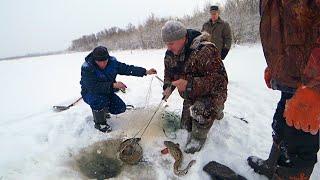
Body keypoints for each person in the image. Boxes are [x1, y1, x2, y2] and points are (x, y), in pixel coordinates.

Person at [247, 1, 320, 179]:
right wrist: (275, 67)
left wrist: (315, 86)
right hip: (291, 77)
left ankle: (291, 174)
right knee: (281, 122)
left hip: (311, 80)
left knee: (299, 137)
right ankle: (272, 165)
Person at [161, 20, 228, 154]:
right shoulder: (170, 54)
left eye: (171, 43)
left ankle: (215, 113)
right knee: (185, 128)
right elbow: (169, 73)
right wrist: (168, 86)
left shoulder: (205, 50)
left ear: (183, 38)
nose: (168, 48)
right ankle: (210, 114)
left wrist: (189, 84)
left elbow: (220, 82)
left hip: (212, 95)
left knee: (199, 112)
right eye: (166, 44)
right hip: (191, 95)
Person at [80, 46, 157, 133]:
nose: (102, 64)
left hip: (107, 91)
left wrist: (145, 71)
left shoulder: (113, 63)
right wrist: (113, 85)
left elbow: (127, 69)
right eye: (99, 61)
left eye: (105, 61)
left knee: (120, 108)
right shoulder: (87, 68)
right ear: (94, 60)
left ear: (108, 58)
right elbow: (93, 86)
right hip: (90, 93)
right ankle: (100, 123)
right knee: (98, 100)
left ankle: (103, 111)